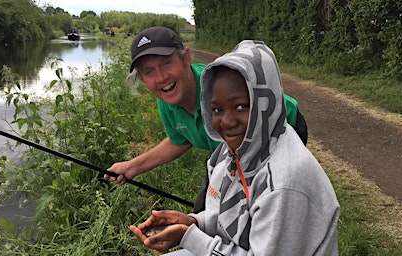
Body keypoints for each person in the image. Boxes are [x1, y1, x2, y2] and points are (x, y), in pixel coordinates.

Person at [128, 40, 340, 255]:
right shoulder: (228, 152)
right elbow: (228, 216)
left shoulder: (283, 184)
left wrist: (189, 236)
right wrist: (194, 222)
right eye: (217, 109)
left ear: (265, 102)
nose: (227, 121)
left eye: (241, 106)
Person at [104, 26, 308, 212]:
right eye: (149, 71)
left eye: (166, 63)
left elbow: (242, 154)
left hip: (281, 126)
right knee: (210, 210)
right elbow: (180, 140)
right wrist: (133, 167)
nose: (161, 77)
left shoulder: (216, 89)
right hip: (229, 150)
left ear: (186, 59)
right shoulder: (166, 102)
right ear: (141, 79)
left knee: (266, 204)